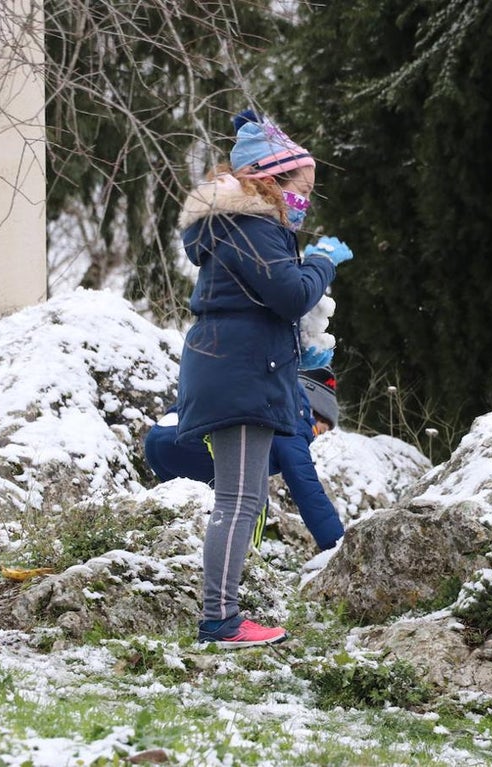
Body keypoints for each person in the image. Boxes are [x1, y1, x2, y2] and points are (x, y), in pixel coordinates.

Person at [175, 109, 353, 649]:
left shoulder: (239, 228)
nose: (306, 200)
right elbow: (288, 293)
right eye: (303, 188)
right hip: (241, 376)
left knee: (240, 497)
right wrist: (321, 263)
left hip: (237, 366)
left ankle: (222, 616)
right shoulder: (253, 228)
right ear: (271, 181)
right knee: (238, 501)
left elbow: (263, 304)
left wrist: (302, 343)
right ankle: (219, 621)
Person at [143, 367, 345, 552]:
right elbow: (307, 489)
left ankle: (178, 546)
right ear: (311, 410)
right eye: (319, 429)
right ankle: (247, 563)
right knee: (255, 495)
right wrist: (338, 546)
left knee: (202, 503)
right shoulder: (293, 420)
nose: (315, 436)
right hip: (191, 444)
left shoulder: (266, 393)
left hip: (160, 437)